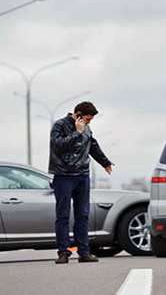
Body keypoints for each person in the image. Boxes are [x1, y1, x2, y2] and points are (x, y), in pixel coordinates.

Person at [49, 101, 115, 264]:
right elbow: (57, 146)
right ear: (78, 114)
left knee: (83, 215)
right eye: (86, 119)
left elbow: (92, 145)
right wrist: (77, 133)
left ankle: (84, 252)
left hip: (82, 176)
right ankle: (63, 252)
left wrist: (104, 162)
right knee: (63, 215)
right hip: (64, 175)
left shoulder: (86, 127)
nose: (88, 123)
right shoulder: (59, 125)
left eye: (90, 120)